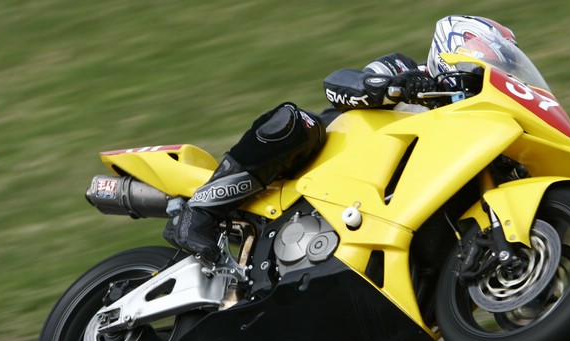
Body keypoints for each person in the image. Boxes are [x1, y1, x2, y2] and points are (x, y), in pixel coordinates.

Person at [163, 15, 517, 261]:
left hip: (379, 212)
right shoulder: (407, 71)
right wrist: (396, 86)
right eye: (491, 60)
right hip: (323, 168)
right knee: (296, 122)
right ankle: (198, 213)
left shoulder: (473, 128)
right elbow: (340, 83)